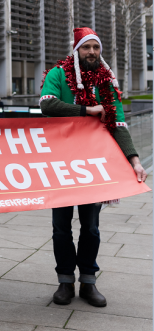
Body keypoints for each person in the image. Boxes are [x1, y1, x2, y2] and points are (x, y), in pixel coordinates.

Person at [40, 27, 147, 307]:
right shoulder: (58, 74)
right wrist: (86, 111)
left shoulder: (106, 82)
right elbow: (47, 104)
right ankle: (65, 281)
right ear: (76, 50)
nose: (91, 52)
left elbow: (118, 122)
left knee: (91, 226)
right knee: (61, 227)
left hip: (93, 166)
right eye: (86, 47)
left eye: (95, 48)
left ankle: (88, 281)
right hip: (60, 163)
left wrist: (134, 161)